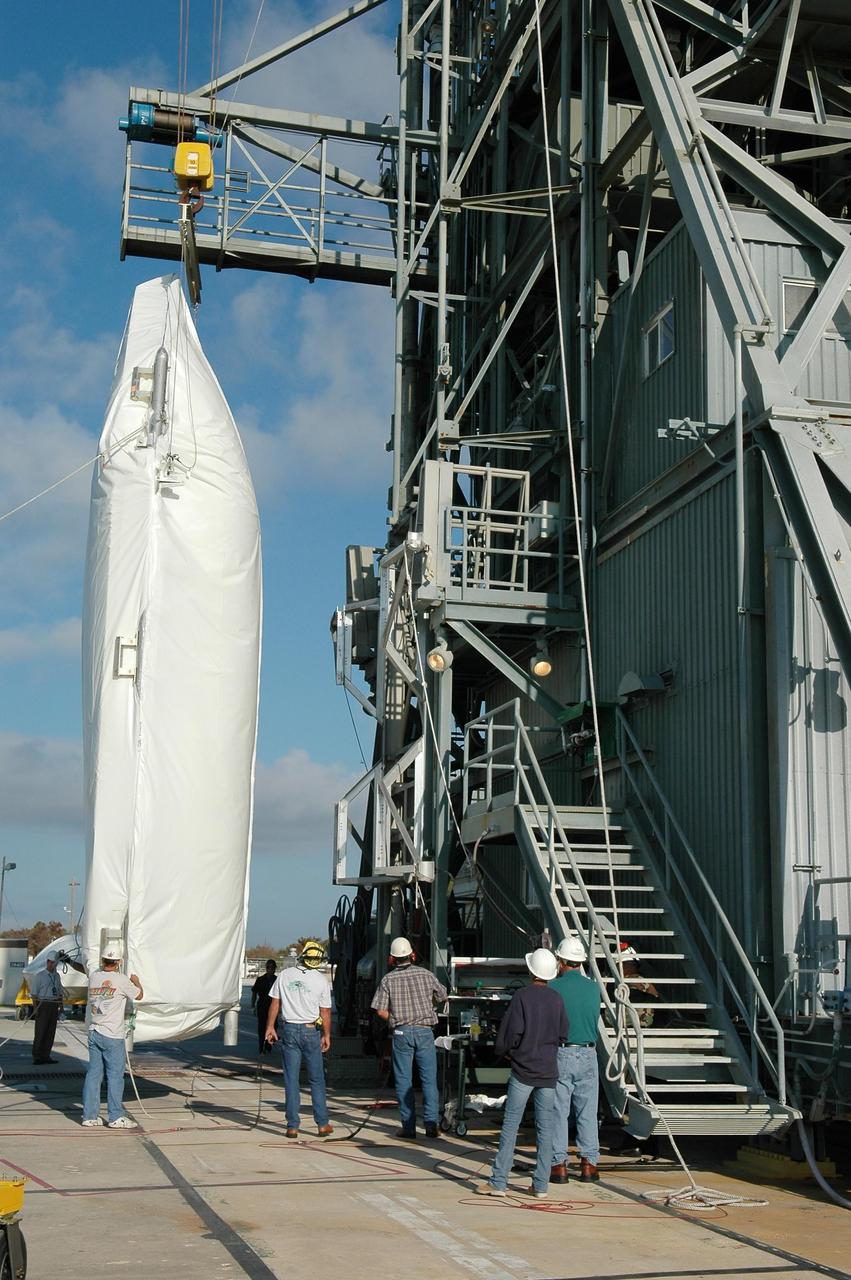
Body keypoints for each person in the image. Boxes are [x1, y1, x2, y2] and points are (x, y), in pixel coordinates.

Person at [478, 947, 567, 1199]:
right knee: (545, 1128)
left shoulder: (522, 997)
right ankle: (540, 1185)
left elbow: (511, 1033)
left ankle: (499, 1182)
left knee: (511, 1125)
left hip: (523, 1071)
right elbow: (563, 1032)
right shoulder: (557, 999)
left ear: (531, 970)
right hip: (548, 1071)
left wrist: (504, 1051)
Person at [371, 937, 447, 1140]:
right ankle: (431, 1124)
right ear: (412, 955)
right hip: (424, 1031)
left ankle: (409, 1127)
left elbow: (380, 1011)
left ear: (392, 959)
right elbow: (443, 996)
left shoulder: (388, 979)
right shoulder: (426, 974)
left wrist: (395, 1020)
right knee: (429, 1080)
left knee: (404, 1081)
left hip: (401, 1032)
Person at [265, 940, 333, 1138]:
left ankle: (292, 1126)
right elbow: (326, 1011)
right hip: (311, 1031)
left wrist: (270, 1026)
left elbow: (275, 1003)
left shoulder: (285, 975)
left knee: (291, 1079)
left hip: (290, 1030)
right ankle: (322, 1124)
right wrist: (327, 1035)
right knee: (316, 1079)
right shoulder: (321, 980)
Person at [550, 935, 601, 1184]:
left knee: (559, 1110)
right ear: (580, 962)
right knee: (587, 1111)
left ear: (561, 961)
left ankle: (558, 1165)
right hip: (589, 1052)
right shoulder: (593, 987)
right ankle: (589, 1164)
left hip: (563, 1051)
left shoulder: (554, 987)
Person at [82, 946, 143, 1128]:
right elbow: (139, 995)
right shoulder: (122, 980)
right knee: (115, 1076)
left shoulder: (94, 977)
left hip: (94, 1031)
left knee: (93, 1075)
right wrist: (136, 981)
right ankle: (116, 1116)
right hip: (112, 1034)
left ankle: (89, 1116)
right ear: (118, 962)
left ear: (102, 960)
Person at [30, 951, 64, 1065]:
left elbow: (60, 992)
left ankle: (46, 1055)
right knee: (41, 1031)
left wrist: (61, 1008)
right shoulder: (40, 976)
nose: (54, 965)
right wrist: (35, 1008)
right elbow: (34, 994)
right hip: (43, 1004)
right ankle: (37, 1056)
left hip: (54, 1003)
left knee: (51, 1031)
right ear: (48, 962)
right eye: (52, 963)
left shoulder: (57, 976)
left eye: (55, 963)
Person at [251, 959, 278, 1054]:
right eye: (268, 967)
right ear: (266, 968)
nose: (270, 969)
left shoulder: (277, 980)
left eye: (272, 968)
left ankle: (269, 1044)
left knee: (274, 1026)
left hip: (273, 1007)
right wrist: (252, 1006)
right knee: (262, 1027)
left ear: (275, 969)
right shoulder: (260, 980)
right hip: (262, 1006)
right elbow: (254, 992)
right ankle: (261, 1046)